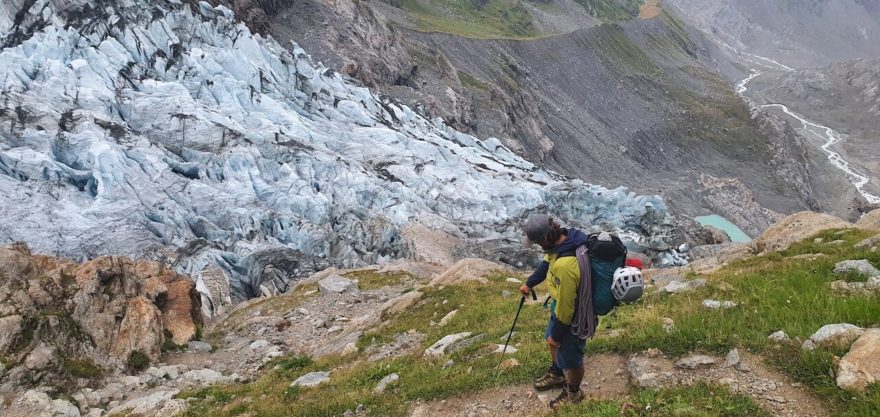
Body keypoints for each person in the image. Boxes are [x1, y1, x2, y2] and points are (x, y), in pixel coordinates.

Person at [519, 214, 589, 407]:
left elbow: (567, 308)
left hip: (573, 315)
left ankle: (574, 392)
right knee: (551, 340)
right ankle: (557, 374)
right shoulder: (561, 242)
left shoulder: (565, 265)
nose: (538, 246)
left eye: (537, 242)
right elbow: (546, 264)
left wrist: (557, 336)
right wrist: (529, 283)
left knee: (571, 357)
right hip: (558, 306)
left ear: (545, 237)